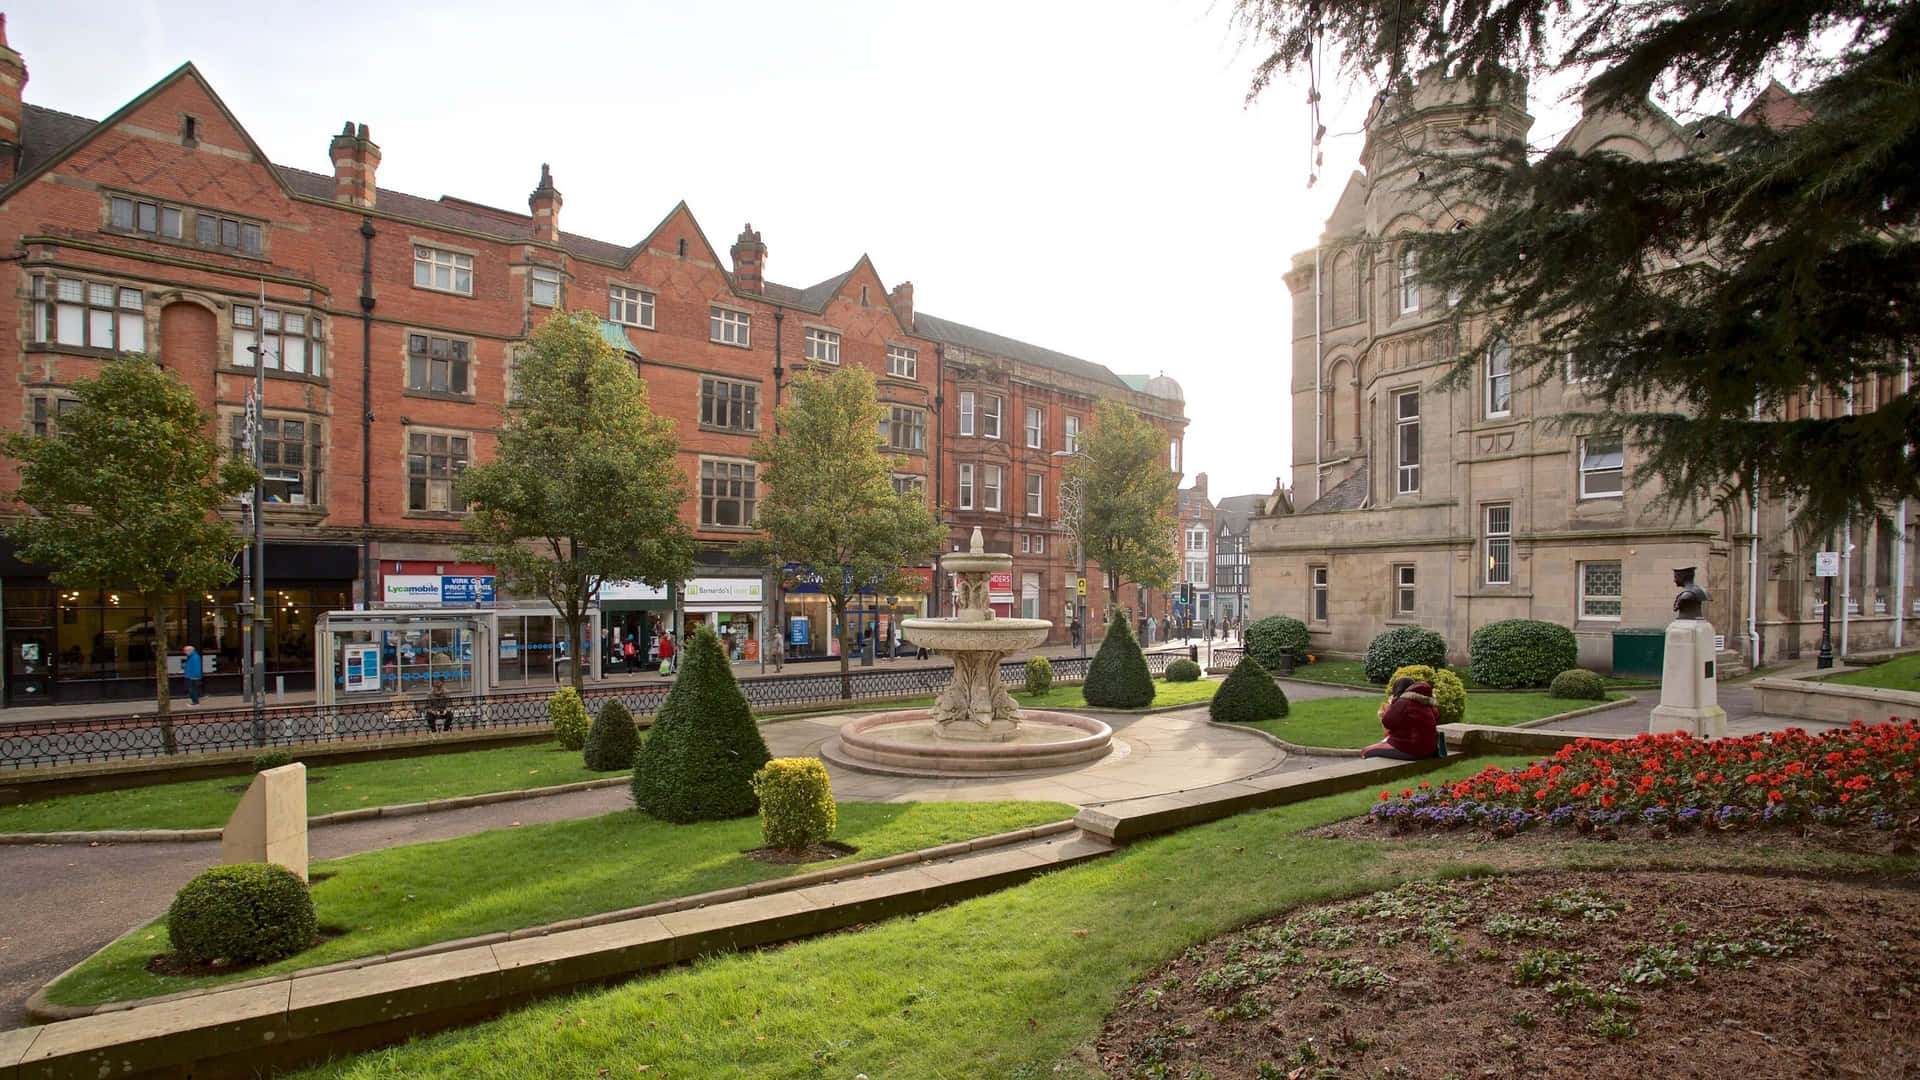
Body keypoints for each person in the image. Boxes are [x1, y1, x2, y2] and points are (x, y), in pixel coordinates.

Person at [1363, 677, 1442, 760]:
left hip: (1411, 749)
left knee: (1365, 752)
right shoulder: (1426, 702)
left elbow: (1387, 722)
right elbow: (1436, 716)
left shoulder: (1403, 702)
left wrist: (1393, 704)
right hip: (1430, 749)